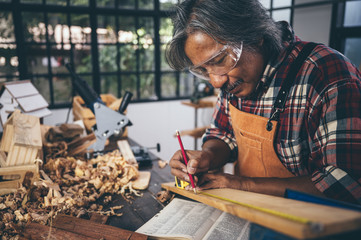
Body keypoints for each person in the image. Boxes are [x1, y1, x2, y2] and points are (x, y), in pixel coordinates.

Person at [166, 0, 361, 205]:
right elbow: (222, 135)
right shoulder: (232, 79)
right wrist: (207, 156)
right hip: (248, 214)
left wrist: (242, 184)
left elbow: (344, 184)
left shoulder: (325, 73)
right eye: (204, 70)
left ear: (256, 36)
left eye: (219, 60)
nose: (216, 81)